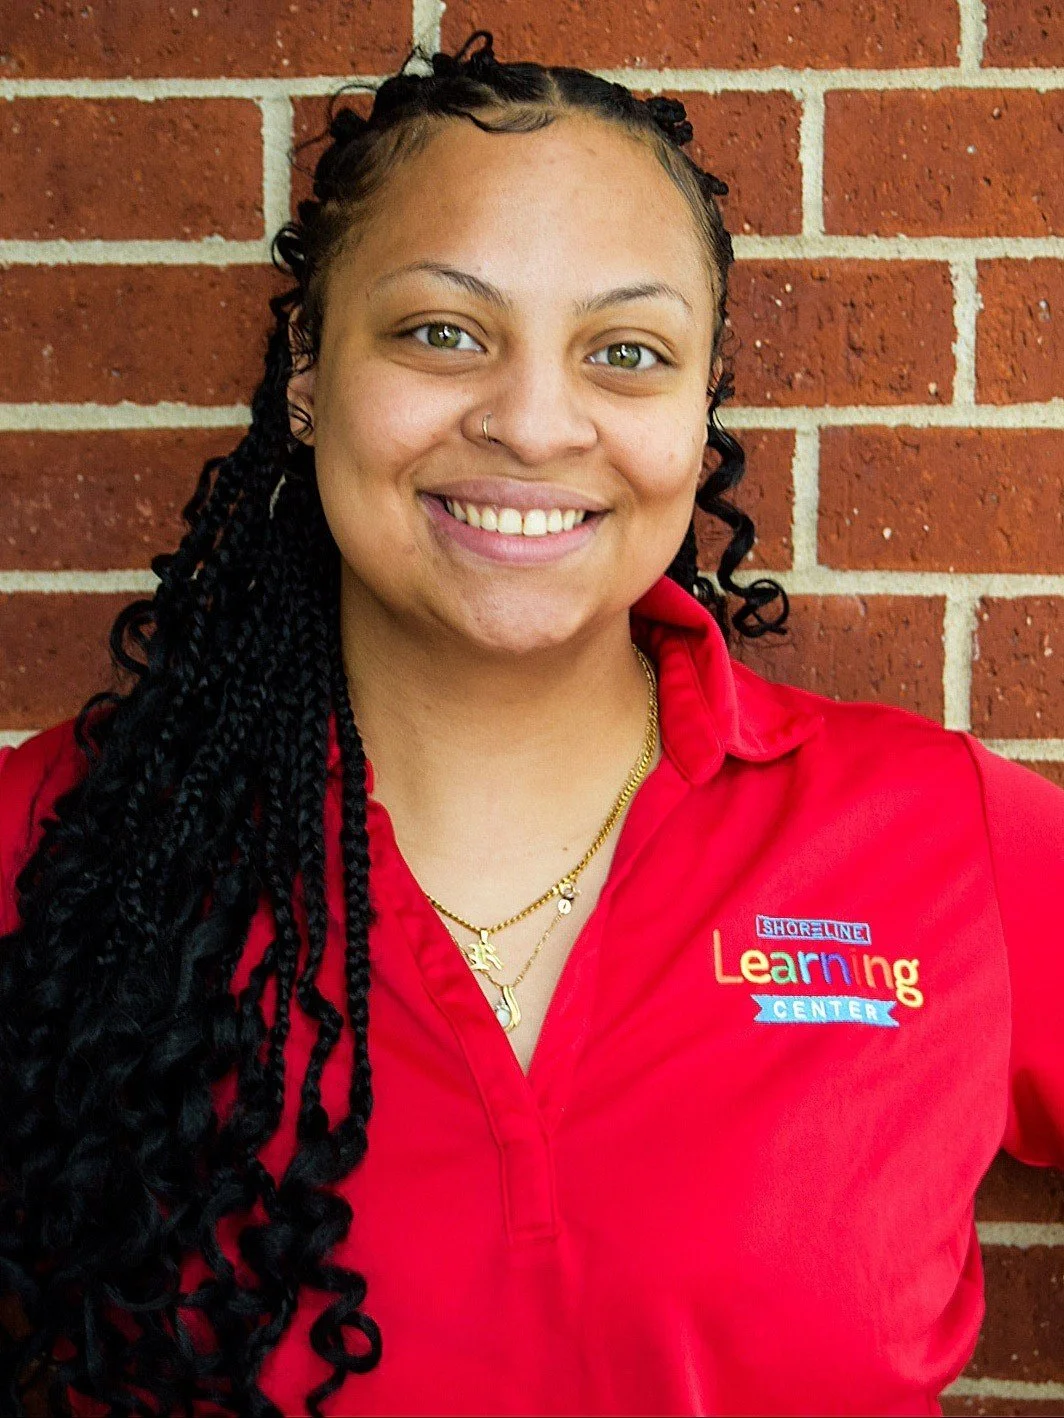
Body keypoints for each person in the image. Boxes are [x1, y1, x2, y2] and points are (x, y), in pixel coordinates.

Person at [0, 27, 1061, 1418]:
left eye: (625, 351)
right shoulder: (58, 848)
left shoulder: (937, 836)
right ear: (309, 367)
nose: (537, 423)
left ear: (700, 408)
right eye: (444, 332)